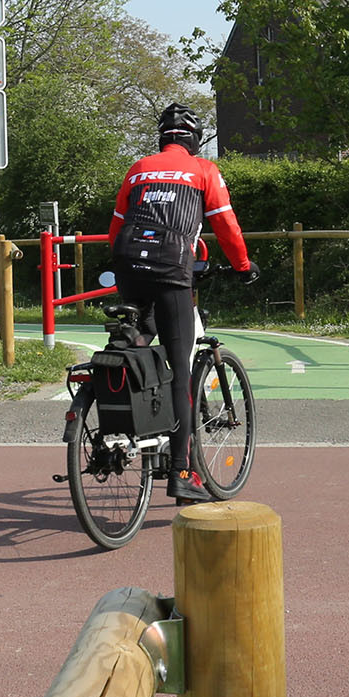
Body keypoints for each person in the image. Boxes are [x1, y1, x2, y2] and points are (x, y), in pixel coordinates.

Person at [106, 103, 258, 503]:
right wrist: (243, 266)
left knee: (135, 340)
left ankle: (123, 426)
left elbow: (116, 227)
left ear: (162, 138)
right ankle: (182, 472)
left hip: (127, 263)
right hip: (172, 268)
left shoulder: (139, 168)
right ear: (194, 139)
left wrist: (127, 267)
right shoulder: (204, 170)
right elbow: (225, 225)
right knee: (180, 368)